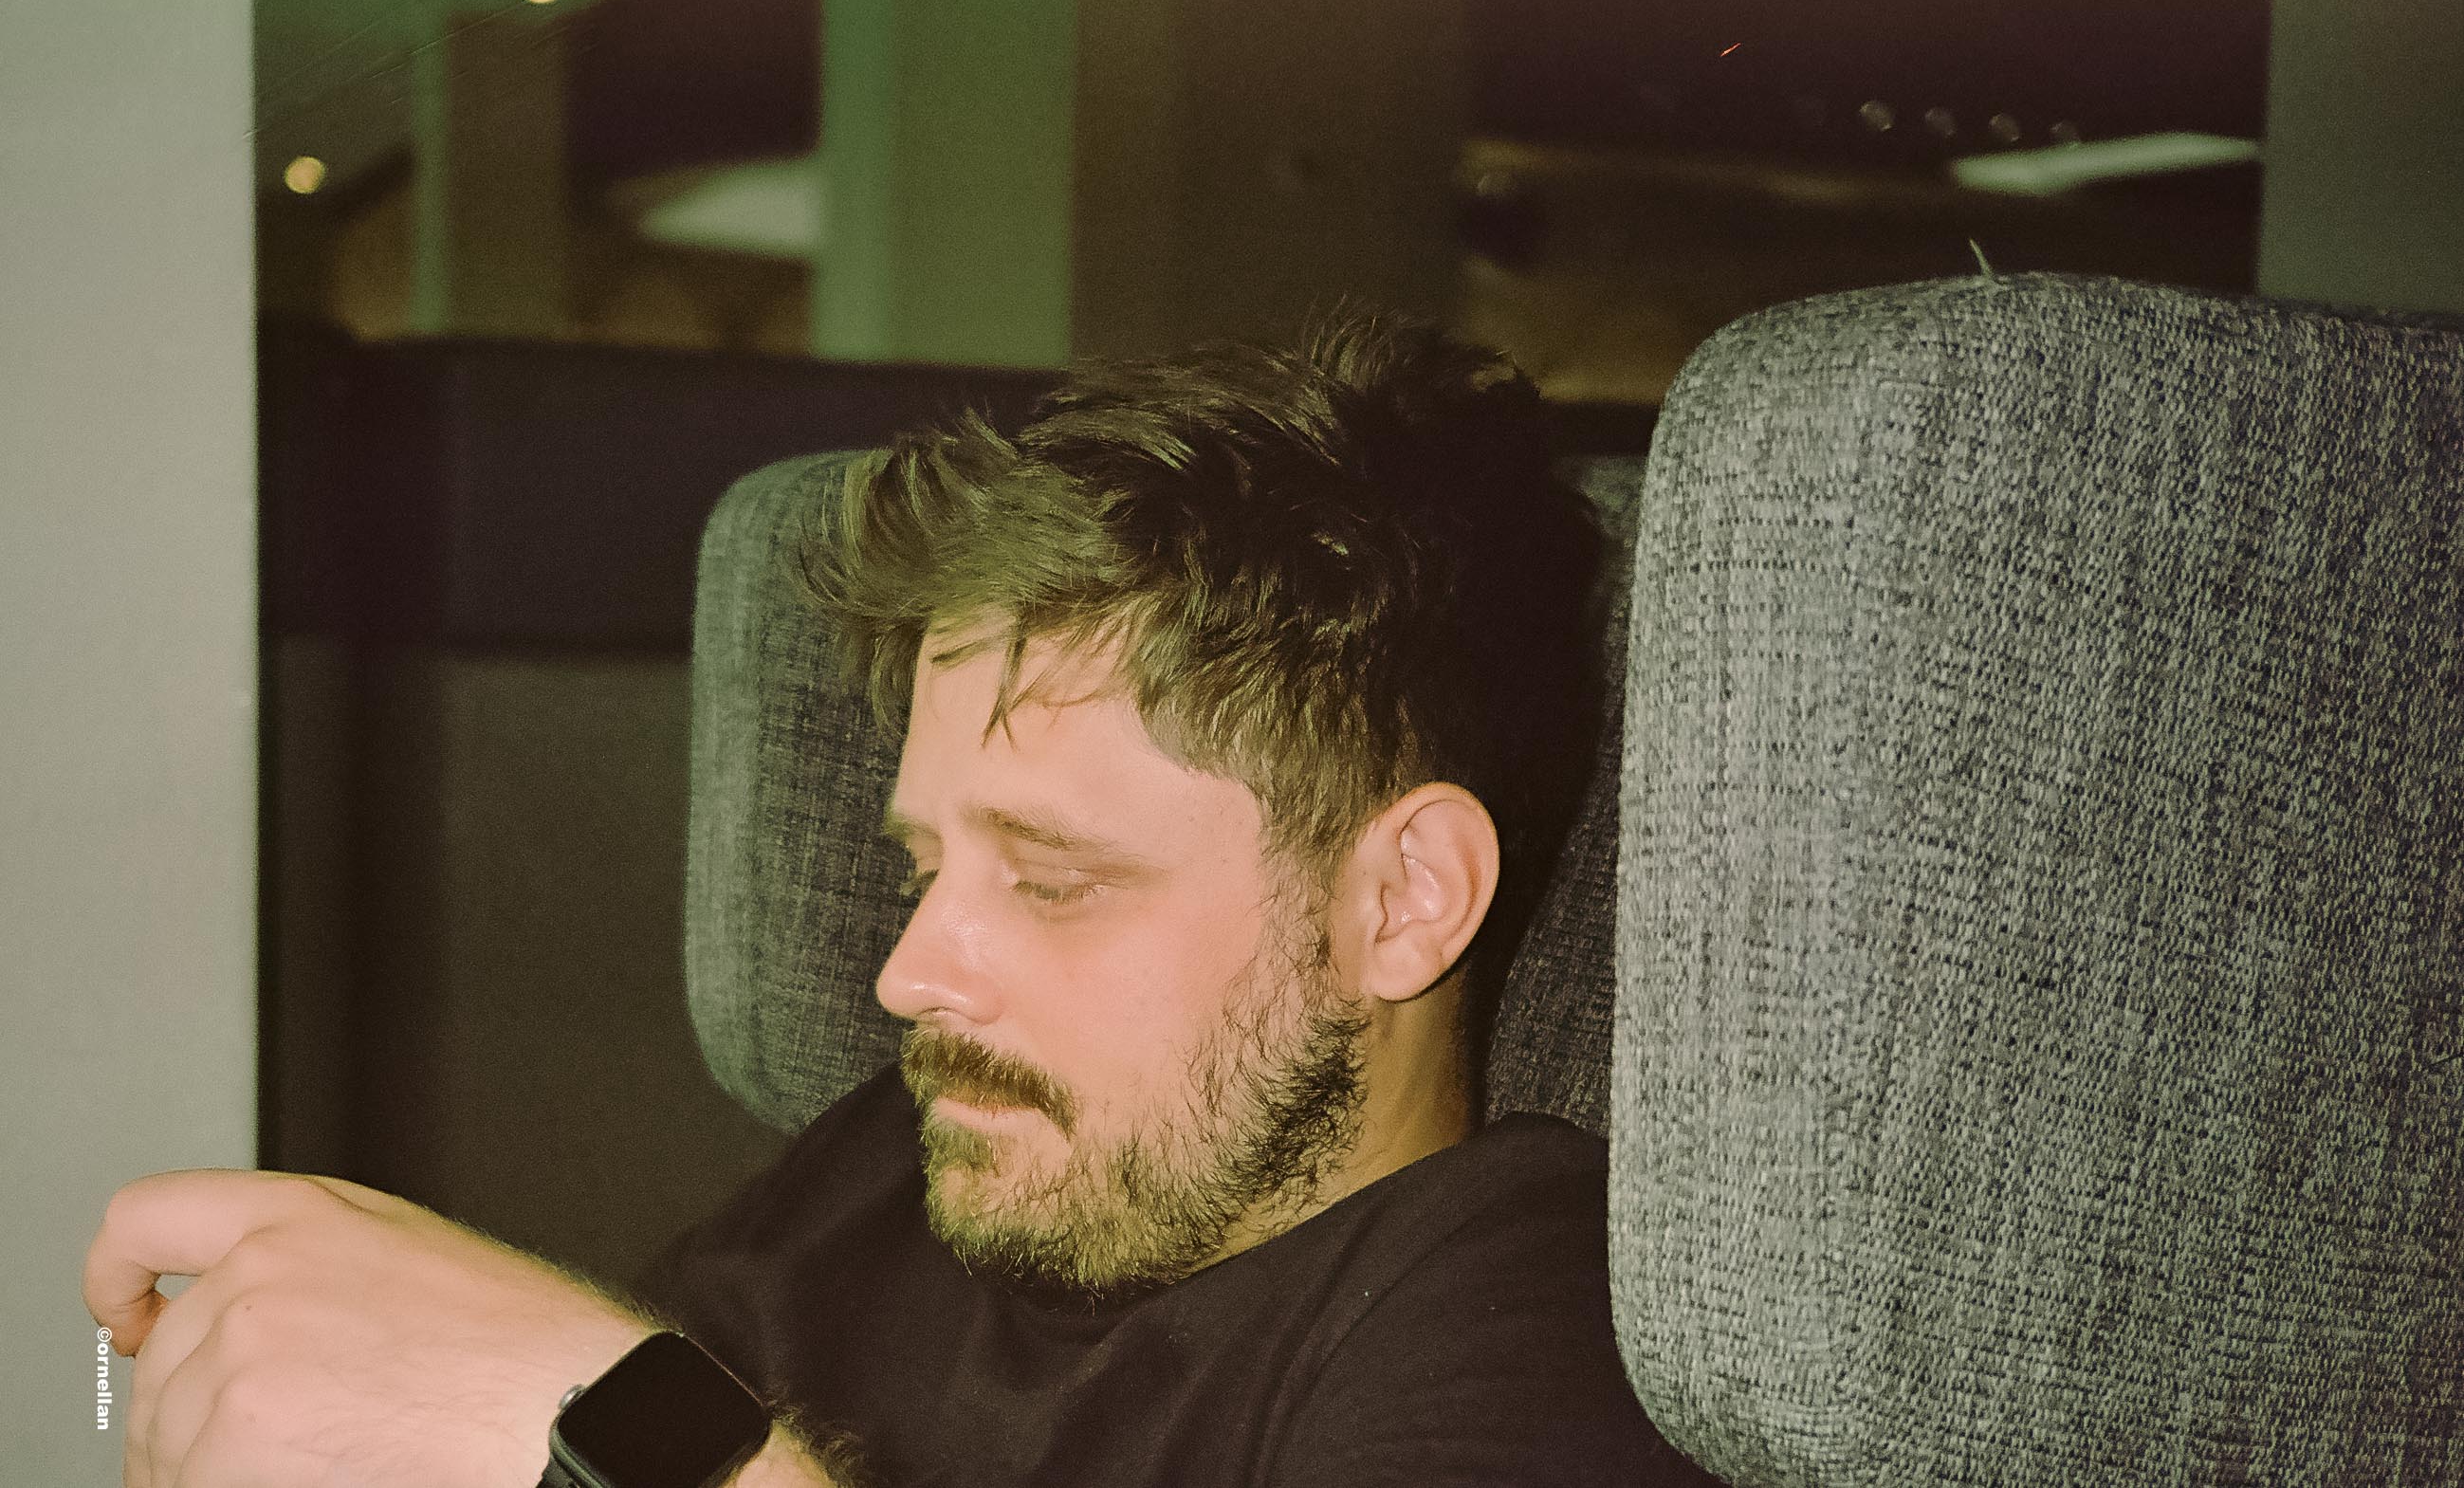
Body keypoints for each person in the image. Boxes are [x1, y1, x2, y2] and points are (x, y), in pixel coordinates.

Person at [83, 306, 1701, 1488]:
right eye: (927, 866)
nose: (912, 973)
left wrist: (596, 1422)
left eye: (1052, 877)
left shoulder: (1538, 1312)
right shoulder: (902, 1164)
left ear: (1401, 899)